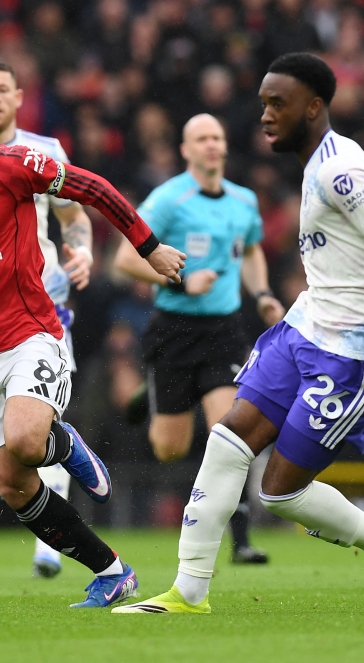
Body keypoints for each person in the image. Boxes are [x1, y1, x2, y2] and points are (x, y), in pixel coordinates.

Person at [115, 53, 364, 615]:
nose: (266, 115)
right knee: (227, 443)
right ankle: (188, 592)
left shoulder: (337, 172)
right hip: (304, 328)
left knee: (280, 491)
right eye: (263, 104)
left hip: (353, 355)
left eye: (280, 104)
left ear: (314, 107)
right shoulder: (316, 162)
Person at [0, 67, 185, 608]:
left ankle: (66, 445)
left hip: (30, 334)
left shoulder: (10, 164)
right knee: (12, 484)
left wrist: (149, 249)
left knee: (29, 443)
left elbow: (92, 188)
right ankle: (112, 571)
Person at [114, 113, 284, 564]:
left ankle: (242, 541)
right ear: (185, 150)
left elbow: (249, 250)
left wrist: (263, 293)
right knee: (168, 448)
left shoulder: (244, 201)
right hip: (173, 330)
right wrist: (179, 282)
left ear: (224, 147)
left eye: (217, 137)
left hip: (224, 330)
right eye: (201, 139)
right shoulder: (169, 200)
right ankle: (152, 394)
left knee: (229, 433)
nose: (211, 145)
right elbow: (124, 260)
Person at [0, 59, 95, 578]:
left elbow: (72, 215)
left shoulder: (47, 151)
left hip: (44, 298)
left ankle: (50, 546)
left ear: (19, 97)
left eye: (3, 89)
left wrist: (80, 250)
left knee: (44, 416)